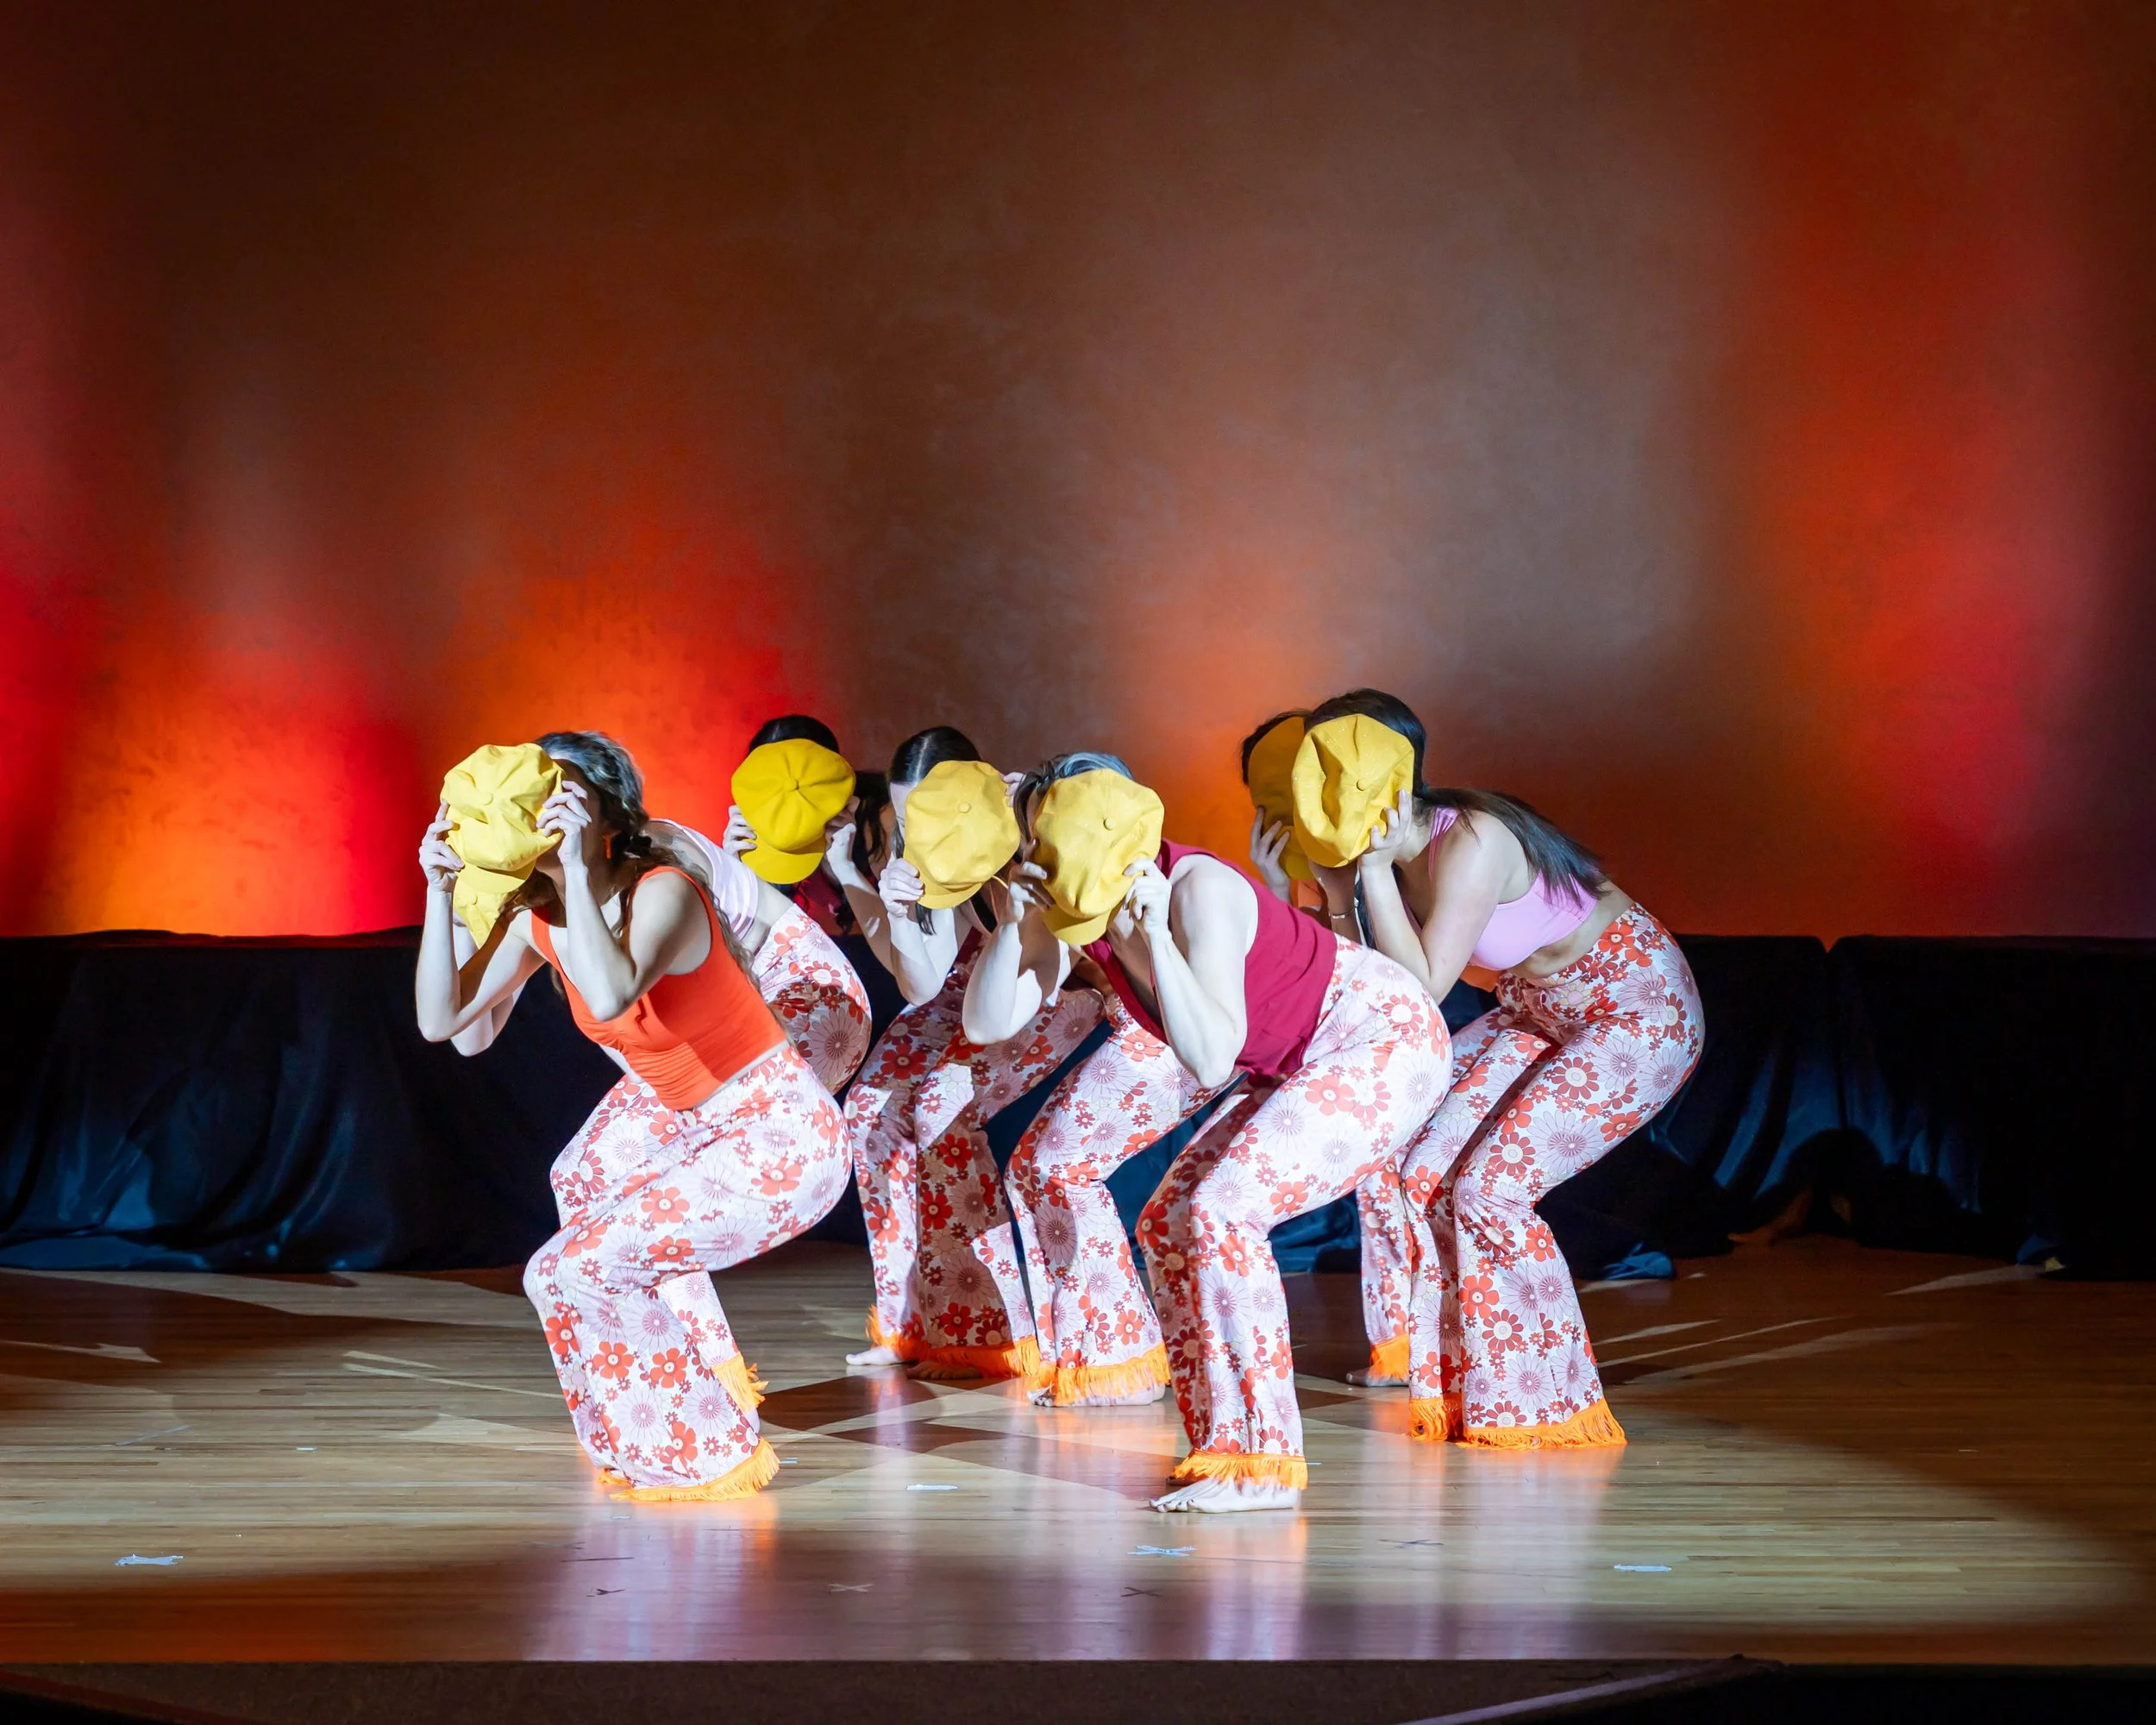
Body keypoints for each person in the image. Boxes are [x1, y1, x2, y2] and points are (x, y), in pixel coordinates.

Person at [965, 756, 1451, 1512]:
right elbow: (988, 1022)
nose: (1038, 860)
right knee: (1166, 1221)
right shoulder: (1072, 898)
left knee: (1224, 1208)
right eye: (1033, 847)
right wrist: (1015, 923)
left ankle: (1261, 1461)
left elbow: (1212, 1055)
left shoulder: (1201, 891)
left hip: (1380, 1038)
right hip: (1292, 1060)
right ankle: (1224, 1447)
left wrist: (1156, 937)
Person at [415, 732, 846, 1500]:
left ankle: (702, 1451)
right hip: (701, 1121)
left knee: (568, 1269)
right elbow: (441, 1021)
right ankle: (686, 1403)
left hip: (778, 1134)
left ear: (603, 815)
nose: (542, 807)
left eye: (562, 795)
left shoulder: (664, 889)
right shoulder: (535, 917)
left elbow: (612, 992)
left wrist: (578, 868)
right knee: (581, 1185)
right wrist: (440, 889)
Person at [1294, 691, 1705, 1450]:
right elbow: (1372, 986)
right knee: (1414, 1170)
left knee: (1490, 1189)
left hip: (1634, 1008)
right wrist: (1341, 889)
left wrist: (1373, 877)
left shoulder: (1472, 840)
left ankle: (1548, 1398)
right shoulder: (1381, 856)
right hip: (1538, 1008)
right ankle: (1462, 1381)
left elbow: (1421, 992)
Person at [824, 727, 1105, 1380]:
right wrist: (883, 901)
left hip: (1067, 983)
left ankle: (988, 1328)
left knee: (939, 1104)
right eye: (905, 811)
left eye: (928, 805)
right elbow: (922, 980)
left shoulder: (1027, 824)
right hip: (978, 980)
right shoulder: (919, 845)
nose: (918, 826)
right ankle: (908, 1324)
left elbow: (1048, 961)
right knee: (869, 1112)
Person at [1241, 709, 1420, 1390]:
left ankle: (1419, 1346)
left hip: (1418, 1023)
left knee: (1401, 1180)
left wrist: (1348, 889)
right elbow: (1307, 961)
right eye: (1268, 804)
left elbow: (1400, 977)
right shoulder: (1300, 865)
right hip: (1352, 1031)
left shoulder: (1388, 849)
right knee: (1380, 1182)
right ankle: (1400, 1348)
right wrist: (1282, 890)